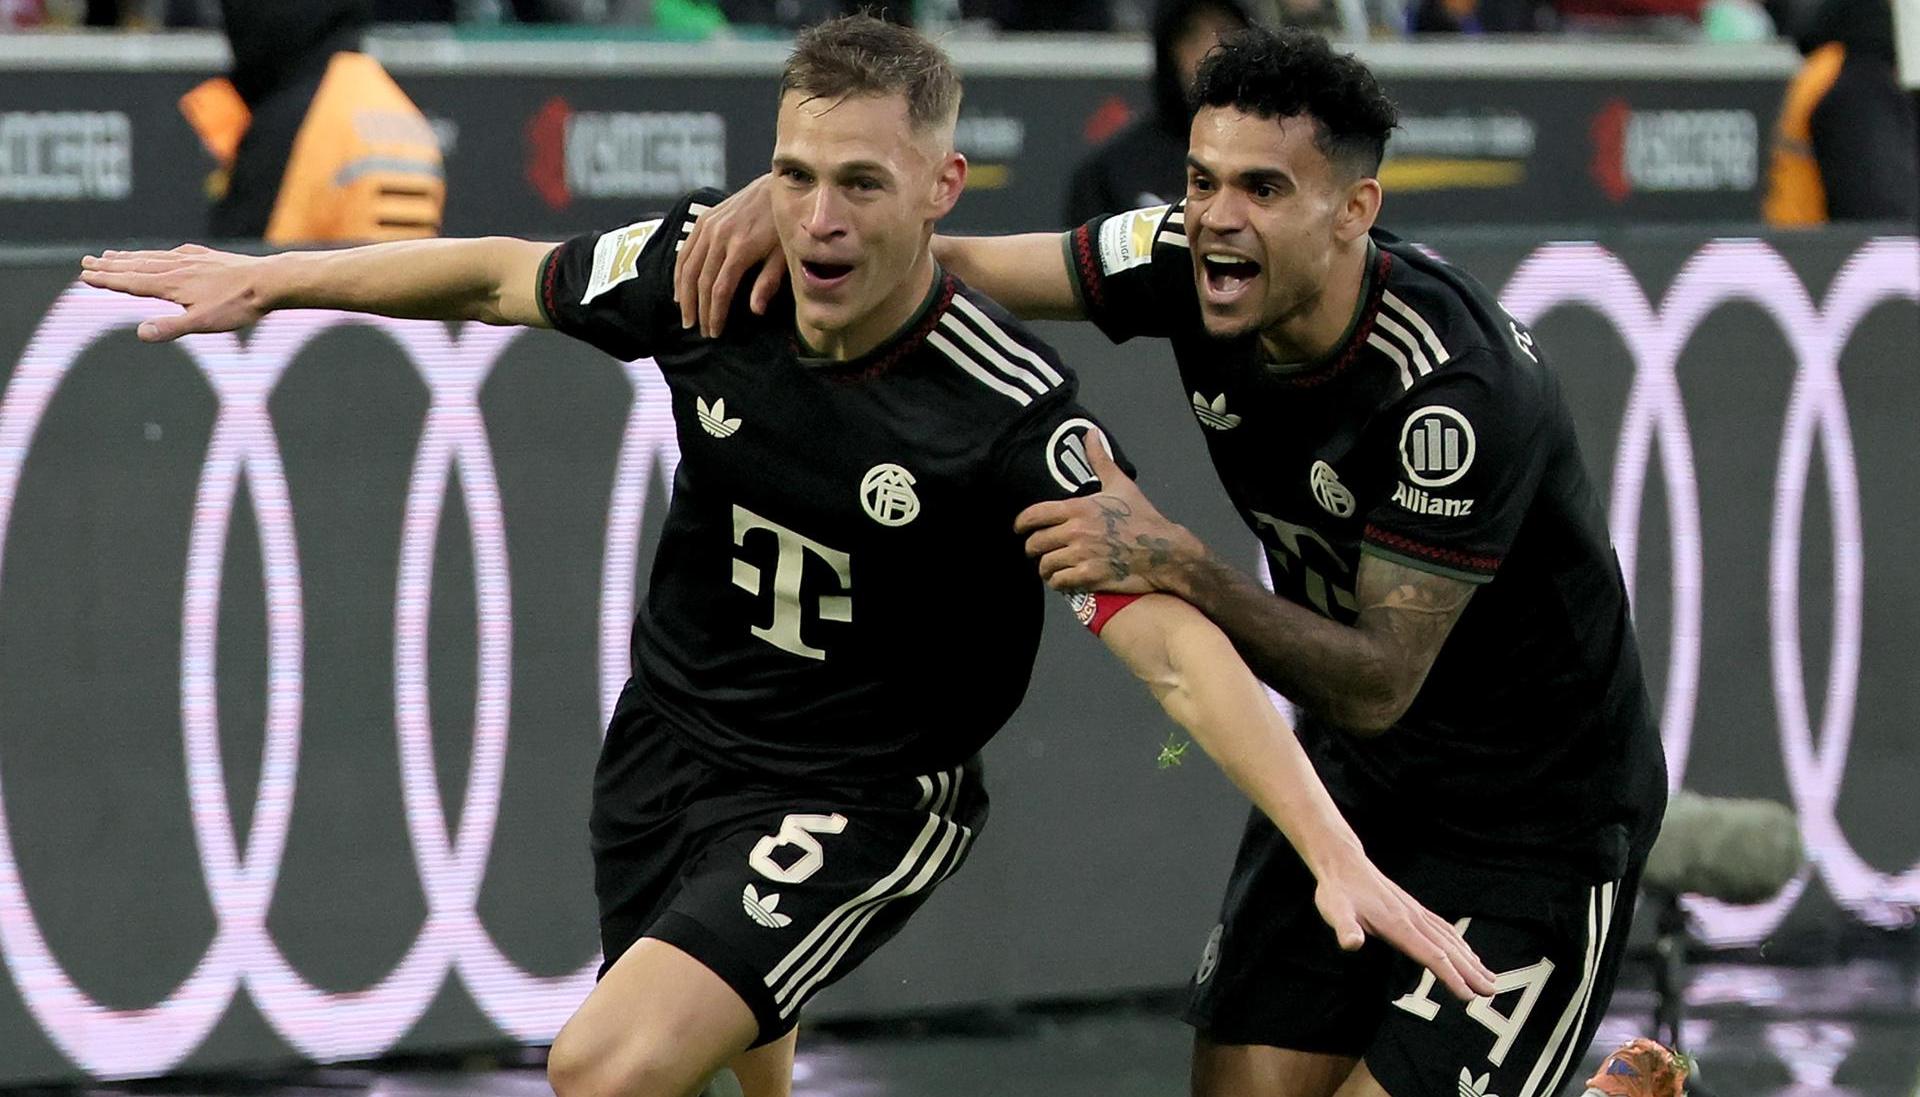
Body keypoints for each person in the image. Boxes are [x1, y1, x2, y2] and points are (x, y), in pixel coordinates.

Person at [82, 17, 1491, 1097]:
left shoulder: (1004, 413)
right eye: (797, 177)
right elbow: (502, 273)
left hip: (867, 791)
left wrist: (1331, 850)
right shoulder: (714, 278)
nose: (819, 220)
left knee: (603, 1064)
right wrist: (271, 278)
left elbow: (1173, 651)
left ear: (941, 188)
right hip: (672, 745)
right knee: (711, 1068)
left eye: (861, 185)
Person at [678, 24, 1669, 1097]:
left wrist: (1184, 566)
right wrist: (789, 212)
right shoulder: (1184, 260)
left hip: (1536, 824)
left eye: (1262, 188)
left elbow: (1380, 680)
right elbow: (939, 260)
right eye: (1200, 180)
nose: (1216, 219)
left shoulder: (1452, 395)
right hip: (1355, 788)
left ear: (1353, 213)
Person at [180, 0, 444, 244]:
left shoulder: (292, 121)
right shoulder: (397, 108)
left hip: (312, 291)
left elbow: (235, 270)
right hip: (399, 291)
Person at [1063, 0, 1254, 227]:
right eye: (1191, 36)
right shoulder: (1110, 173)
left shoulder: (1277, 154)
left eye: (1226, 33)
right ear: (1168, 51)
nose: (1211, 50)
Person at [1762, 0, 1919, 224]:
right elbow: (1880, 217)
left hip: (1802, 247)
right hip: (1822, 252)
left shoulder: (1827, 67)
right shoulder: (1859, 82)